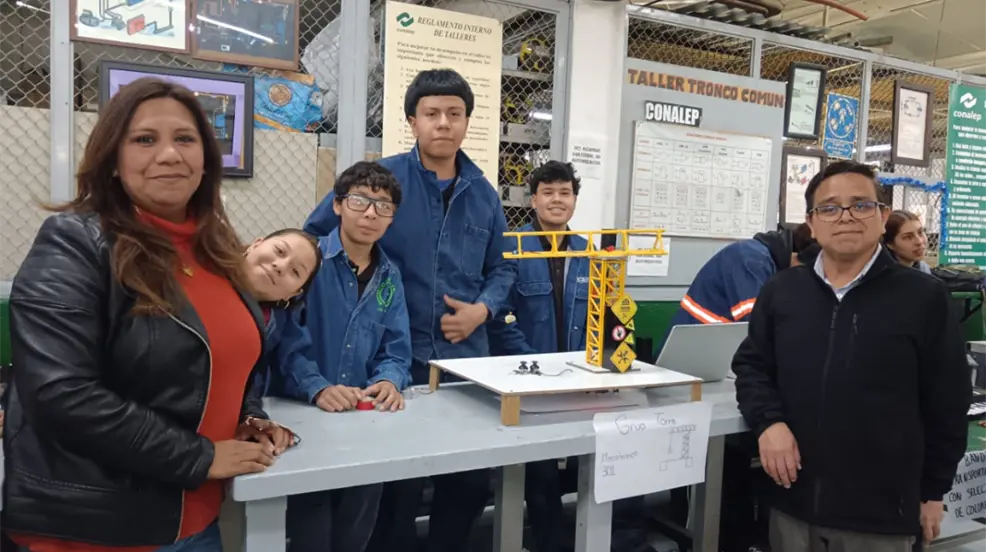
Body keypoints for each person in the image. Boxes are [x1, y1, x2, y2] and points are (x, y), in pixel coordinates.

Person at [1, 78, 293, 551]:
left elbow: (223, 365)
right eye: (144, 139)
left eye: (185, 138)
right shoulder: (75, 242)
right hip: (100, 527)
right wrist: (200, 457)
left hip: (197, 520)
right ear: (113, 160)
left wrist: (249, 417)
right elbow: (60, 393)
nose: (169, 154)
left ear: (205, 158)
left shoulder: (217, 251)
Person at [305, 68, 516, 552]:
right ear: (412, 122)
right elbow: (314, 238)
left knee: (467, 483)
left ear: (467, 122)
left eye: (454, 114)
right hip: (390, 363)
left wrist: (482, 310)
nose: (443, 123)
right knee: (393, 490)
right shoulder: (382, 184)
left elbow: (503, 268)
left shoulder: (484, 195)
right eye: (432, 113)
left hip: (465, 365)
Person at [733, 161, 970, 552]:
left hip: (881, 516)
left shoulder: (923, 297)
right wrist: (769, 423)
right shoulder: (782, 290)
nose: (845, 217)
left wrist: (933, 491)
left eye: (860, 205)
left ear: (882, 217)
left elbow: (947, 400)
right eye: (829, 208)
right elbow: (752, 366)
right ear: (811, 223)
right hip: (792, 503)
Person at [272, 161, 412, 552]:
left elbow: (397, 347)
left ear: (392, 218)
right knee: (312, 529)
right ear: (337, 205)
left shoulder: (390, 276)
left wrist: (389, 379)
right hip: (305, 415)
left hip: (365, 421)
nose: (370, 214)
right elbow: (284, 340)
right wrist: (317, 387)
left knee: (358, 523)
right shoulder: (307, 264)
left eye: (383, 206)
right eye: (359, 201)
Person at [489, 160, 588, 552]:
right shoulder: (512, 248)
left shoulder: (588, 251)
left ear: (574, 200)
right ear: (533, 200)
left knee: (589, 462)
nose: (557, 200)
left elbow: (603, 312)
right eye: (548, 193)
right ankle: (550, 543)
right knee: (539, 473)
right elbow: (500, 317)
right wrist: (537, 366)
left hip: (579, 380)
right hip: (528, 379)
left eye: (565, 193)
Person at [659, 223, 818, 351]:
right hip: (692, 354)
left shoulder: (774, 264)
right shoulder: (751, 259)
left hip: (717, 354)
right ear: (799, 259)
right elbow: (757, 325)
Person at [242, 227, 323, 396]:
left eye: (295, 272)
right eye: (279, 250)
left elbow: (291, 358)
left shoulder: (277, 321)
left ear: (293, 293)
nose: (280, 266)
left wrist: (319, 390)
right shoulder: (202, 279)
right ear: (256, 244)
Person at [884, 210, 933, 274]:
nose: (919, 242)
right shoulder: (885, 275)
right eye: (908, 237)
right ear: (890, 244)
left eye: (920, 232)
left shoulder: (923, 268)